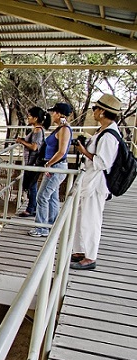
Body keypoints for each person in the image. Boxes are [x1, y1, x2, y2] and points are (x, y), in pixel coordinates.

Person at [70, 94, 123, 270]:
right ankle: (79, 251)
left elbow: (102, 162)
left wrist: (83, 151)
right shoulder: (102, 131)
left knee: (91, 220)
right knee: (80, 217)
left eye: (95, 109)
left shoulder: (109, 135)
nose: (93, 112)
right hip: (89, 181)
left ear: (102, 112)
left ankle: (90, 257)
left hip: (96, 184)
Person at [27, 102, 73, 237]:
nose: (52, 115)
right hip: (54, 166)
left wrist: (49, 164)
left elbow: (62, 151)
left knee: (42, 196)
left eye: (54, 112)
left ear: (59, 114)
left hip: (56, 166)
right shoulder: (60, 128)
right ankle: (52, 225)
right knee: (52, 196)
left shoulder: (64, 129)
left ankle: (41, 228)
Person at [16, 106, 51, 217]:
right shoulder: (38, 130)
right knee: (32, 184)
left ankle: (31, 208)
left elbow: (34, 147)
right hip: (32, 161)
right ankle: (32, 207)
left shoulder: (37, 130)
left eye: (30, 116)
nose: (28, 118)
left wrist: (21, 141)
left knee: (31, 185)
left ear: (35, 118)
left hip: (32, 161)